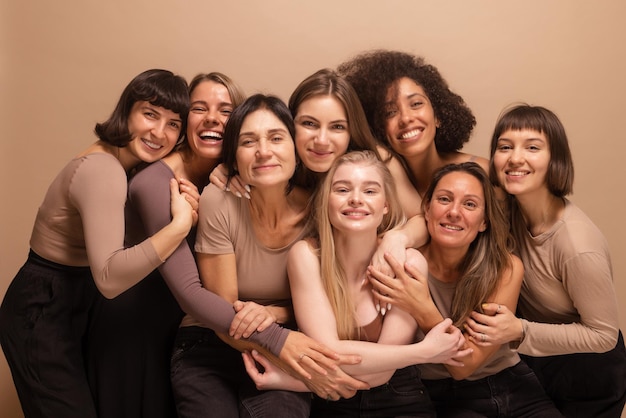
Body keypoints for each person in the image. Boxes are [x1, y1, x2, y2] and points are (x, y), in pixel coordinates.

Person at [0, 69, 195, 418]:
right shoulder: (103, 169)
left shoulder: (129, 166)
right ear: (127, 111)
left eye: (173, 124)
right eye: (150, 114)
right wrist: (180, 226)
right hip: (44, 306)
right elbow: (108, 278)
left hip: (75, 300)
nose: (158, 132)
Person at [170, 94, 367, 418]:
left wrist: (274, 314)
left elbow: (334, 297)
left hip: (286, 337)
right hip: (210, 341)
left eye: (276, 138)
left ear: (295, 148)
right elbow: (224, 312)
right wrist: (280, 344)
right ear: (234, 155)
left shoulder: (322, 209)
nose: (264, 151)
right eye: (248, 141)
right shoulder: (219, 199)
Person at [242, 150, 470, 418]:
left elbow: (382, 373)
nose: (356, 199)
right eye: (342, 189)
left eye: (370, 191)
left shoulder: (409, 263)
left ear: (386, 205)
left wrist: (294, 382)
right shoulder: (306, 257)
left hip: (398, 399)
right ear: (326, 201)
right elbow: (328, 351)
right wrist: (423, 352)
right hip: (330, 402)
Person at [85, 72, 247, 418]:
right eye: (199, 108)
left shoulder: (224, 180)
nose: (212, 119)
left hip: (176, 332)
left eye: (226, 111)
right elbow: (189, 287)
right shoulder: (157, 180)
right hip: (131, 330)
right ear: (184, 119)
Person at [210, 68, 429, 313]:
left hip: (373, 291)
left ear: (351, 131)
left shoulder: (378, 163)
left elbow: (424, 218)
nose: (322, 140)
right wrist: (226, 169)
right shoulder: (281, 171)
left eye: (337, 127)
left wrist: (396, 238)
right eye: (309, 124)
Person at [464, 104, 626, 417]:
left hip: (589, 373)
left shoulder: (577, 244)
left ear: (556, 159)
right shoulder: (507, 207)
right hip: (537, 360)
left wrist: (519, 331)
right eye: (505, 147)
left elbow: (603, 336)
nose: (515, 158)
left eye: (533, 147)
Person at [368, 162, 563, 417]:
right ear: (426, 209)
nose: (454, 212)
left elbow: (468, 363)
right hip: (443, 395)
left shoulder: (505, 268)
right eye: (444, 199)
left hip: (511, 383)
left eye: (469, 204)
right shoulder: (400, 262)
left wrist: (421, 306)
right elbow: (457, 370)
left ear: (484, 222)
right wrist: (397, 237)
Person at [337, 50, 489, 197]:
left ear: (438, 115)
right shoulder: (372, 185)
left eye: (416, 104)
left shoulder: (484, 173)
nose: (405, 118)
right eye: (390, 112)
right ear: (379, 128)